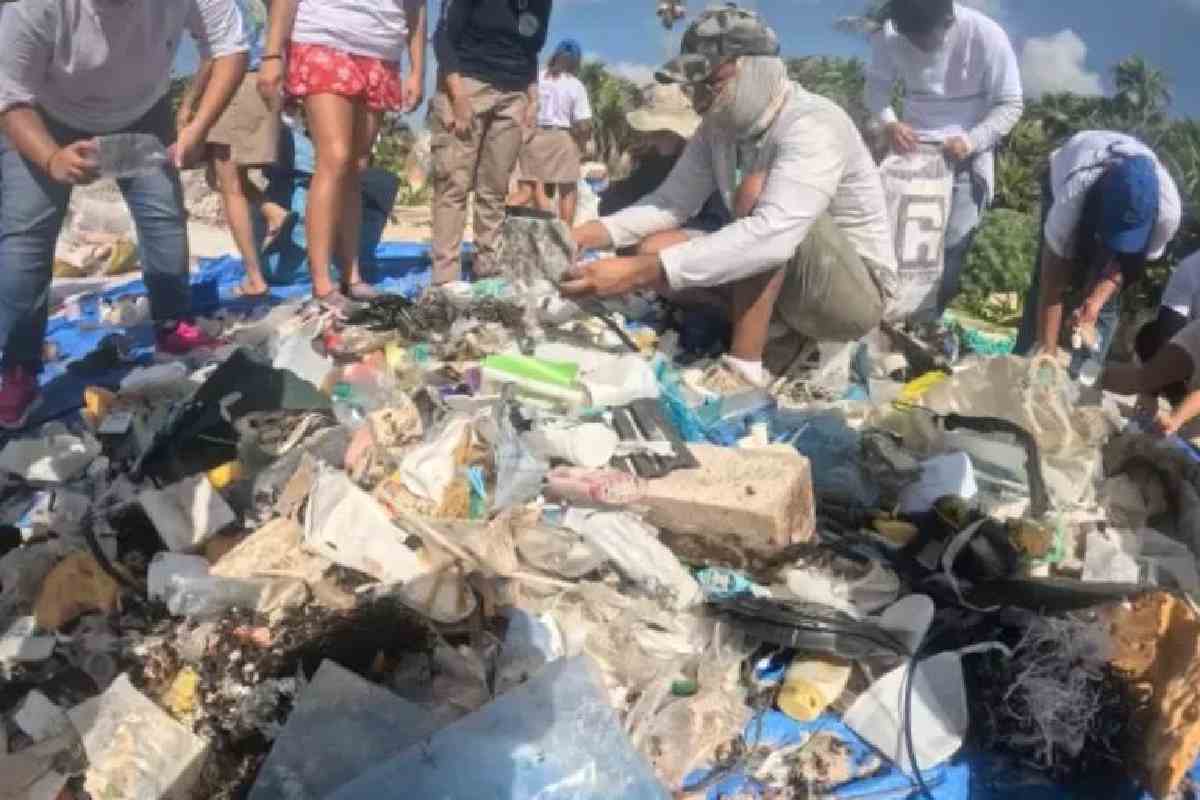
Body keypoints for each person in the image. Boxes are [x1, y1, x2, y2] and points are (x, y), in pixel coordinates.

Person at [566, 5, 897, 389]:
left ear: (755, 67)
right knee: (654, 246)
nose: (699, 98)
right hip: (784, 269)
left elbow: (773, 235)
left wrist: (638, 273)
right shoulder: (718, 131)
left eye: (711, 80)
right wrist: (583, 235)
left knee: (754, 201)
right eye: (694, 85)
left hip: (850, 296)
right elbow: (670, 203)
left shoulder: (812, 123)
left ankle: (745, 365)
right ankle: (780, 335)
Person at [0, 0, 249, 429]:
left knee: (163, 215)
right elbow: (8, 94)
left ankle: (173, 325)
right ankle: (17, 368)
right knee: (26, 235)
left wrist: (197, 129)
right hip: (44, 112)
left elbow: (232, 47)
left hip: (143, 113)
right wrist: (51, 159)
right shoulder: (32, 6)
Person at [259, 0, 426, 316]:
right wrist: (271, 53)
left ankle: (352, 275)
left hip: (382, 50)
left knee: (357, 165)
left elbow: (416, 7)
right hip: (325, 35)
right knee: (334, 158)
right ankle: (322, 282)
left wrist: (418, 70)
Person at [866, 0, 1023, 315]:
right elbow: (876, 90)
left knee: (952, 249)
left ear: (948, 20)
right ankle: (885, 318)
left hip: (966, 157)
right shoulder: (891, 32)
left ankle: (928, 325)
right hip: (912, 153)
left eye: (925, 36)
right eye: (911, 36)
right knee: (894, 244)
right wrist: (891, 123)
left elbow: (1010, 104)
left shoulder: (986, 35)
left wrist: (971, 141)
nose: (918, 44)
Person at [1014, 131, 1181, 376]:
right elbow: (1052, 287)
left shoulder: (1167, 214)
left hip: (1110, 194)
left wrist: (1094, 304)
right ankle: (1029, 365)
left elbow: (1128, 264)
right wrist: (1048, 355)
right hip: (1070, 173)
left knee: (1106, 305)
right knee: (1044, 286)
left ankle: (1082, 382)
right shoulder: (1073, 196)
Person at [430, 0, 553, 285]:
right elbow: (443, 38)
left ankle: (488, 270)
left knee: (495, 189)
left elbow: (530, 52)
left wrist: (533, 99)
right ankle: (445, 278)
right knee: (453, 185)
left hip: (515, 94)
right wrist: (458, 96)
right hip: (468, 84)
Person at [181, 0, 293, 299]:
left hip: (235, 84)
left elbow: (214, 57)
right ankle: (272, 211)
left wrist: (189, 102)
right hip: (265, 81)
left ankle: (255, 277)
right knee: (222, 177)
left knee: (228, 184)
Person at [598, 82, 729, 236]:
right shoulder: (648, 158)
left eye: (660, 133)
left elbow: (715, 222)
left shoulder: (705, 161)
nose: (652, 136)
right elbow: (617, 199)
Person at [513, 39, 592, 224]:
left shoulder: (535, 79)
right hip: (562, 138)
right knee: (567, 189)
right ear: (576, 61)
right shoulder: (576, 85)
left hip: (533, 137)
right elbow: (583, 124)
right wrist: (582, 142)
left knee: (528, 190)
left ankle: (500, 224)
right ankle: (565, 235)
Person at [1103, 318, 1200, 441]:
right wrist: (1175, 418)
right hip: (1192, 345)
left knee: (1191, 428)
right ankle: (1093, 375)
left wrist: (1177, 419)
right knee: (1141, 380)